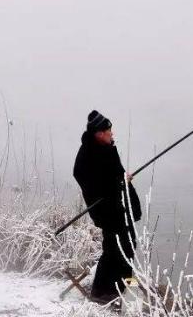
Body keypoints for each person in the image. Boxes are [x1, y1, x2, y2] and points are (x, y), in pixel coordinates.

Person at [73, 110, 142, 304]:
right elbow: (85, 177)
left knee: (128, 243)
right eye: (108, 130)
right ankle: (102, 293)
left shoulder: (107, 147)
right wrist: (116, 183)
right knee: (114, 248)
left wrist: (123, 181)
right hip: (106, 209)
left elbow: (115, 173)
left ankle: (121, 288)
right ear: (99, 133)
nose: (112, 133)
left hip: (120, 205)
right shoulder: (88, 152)